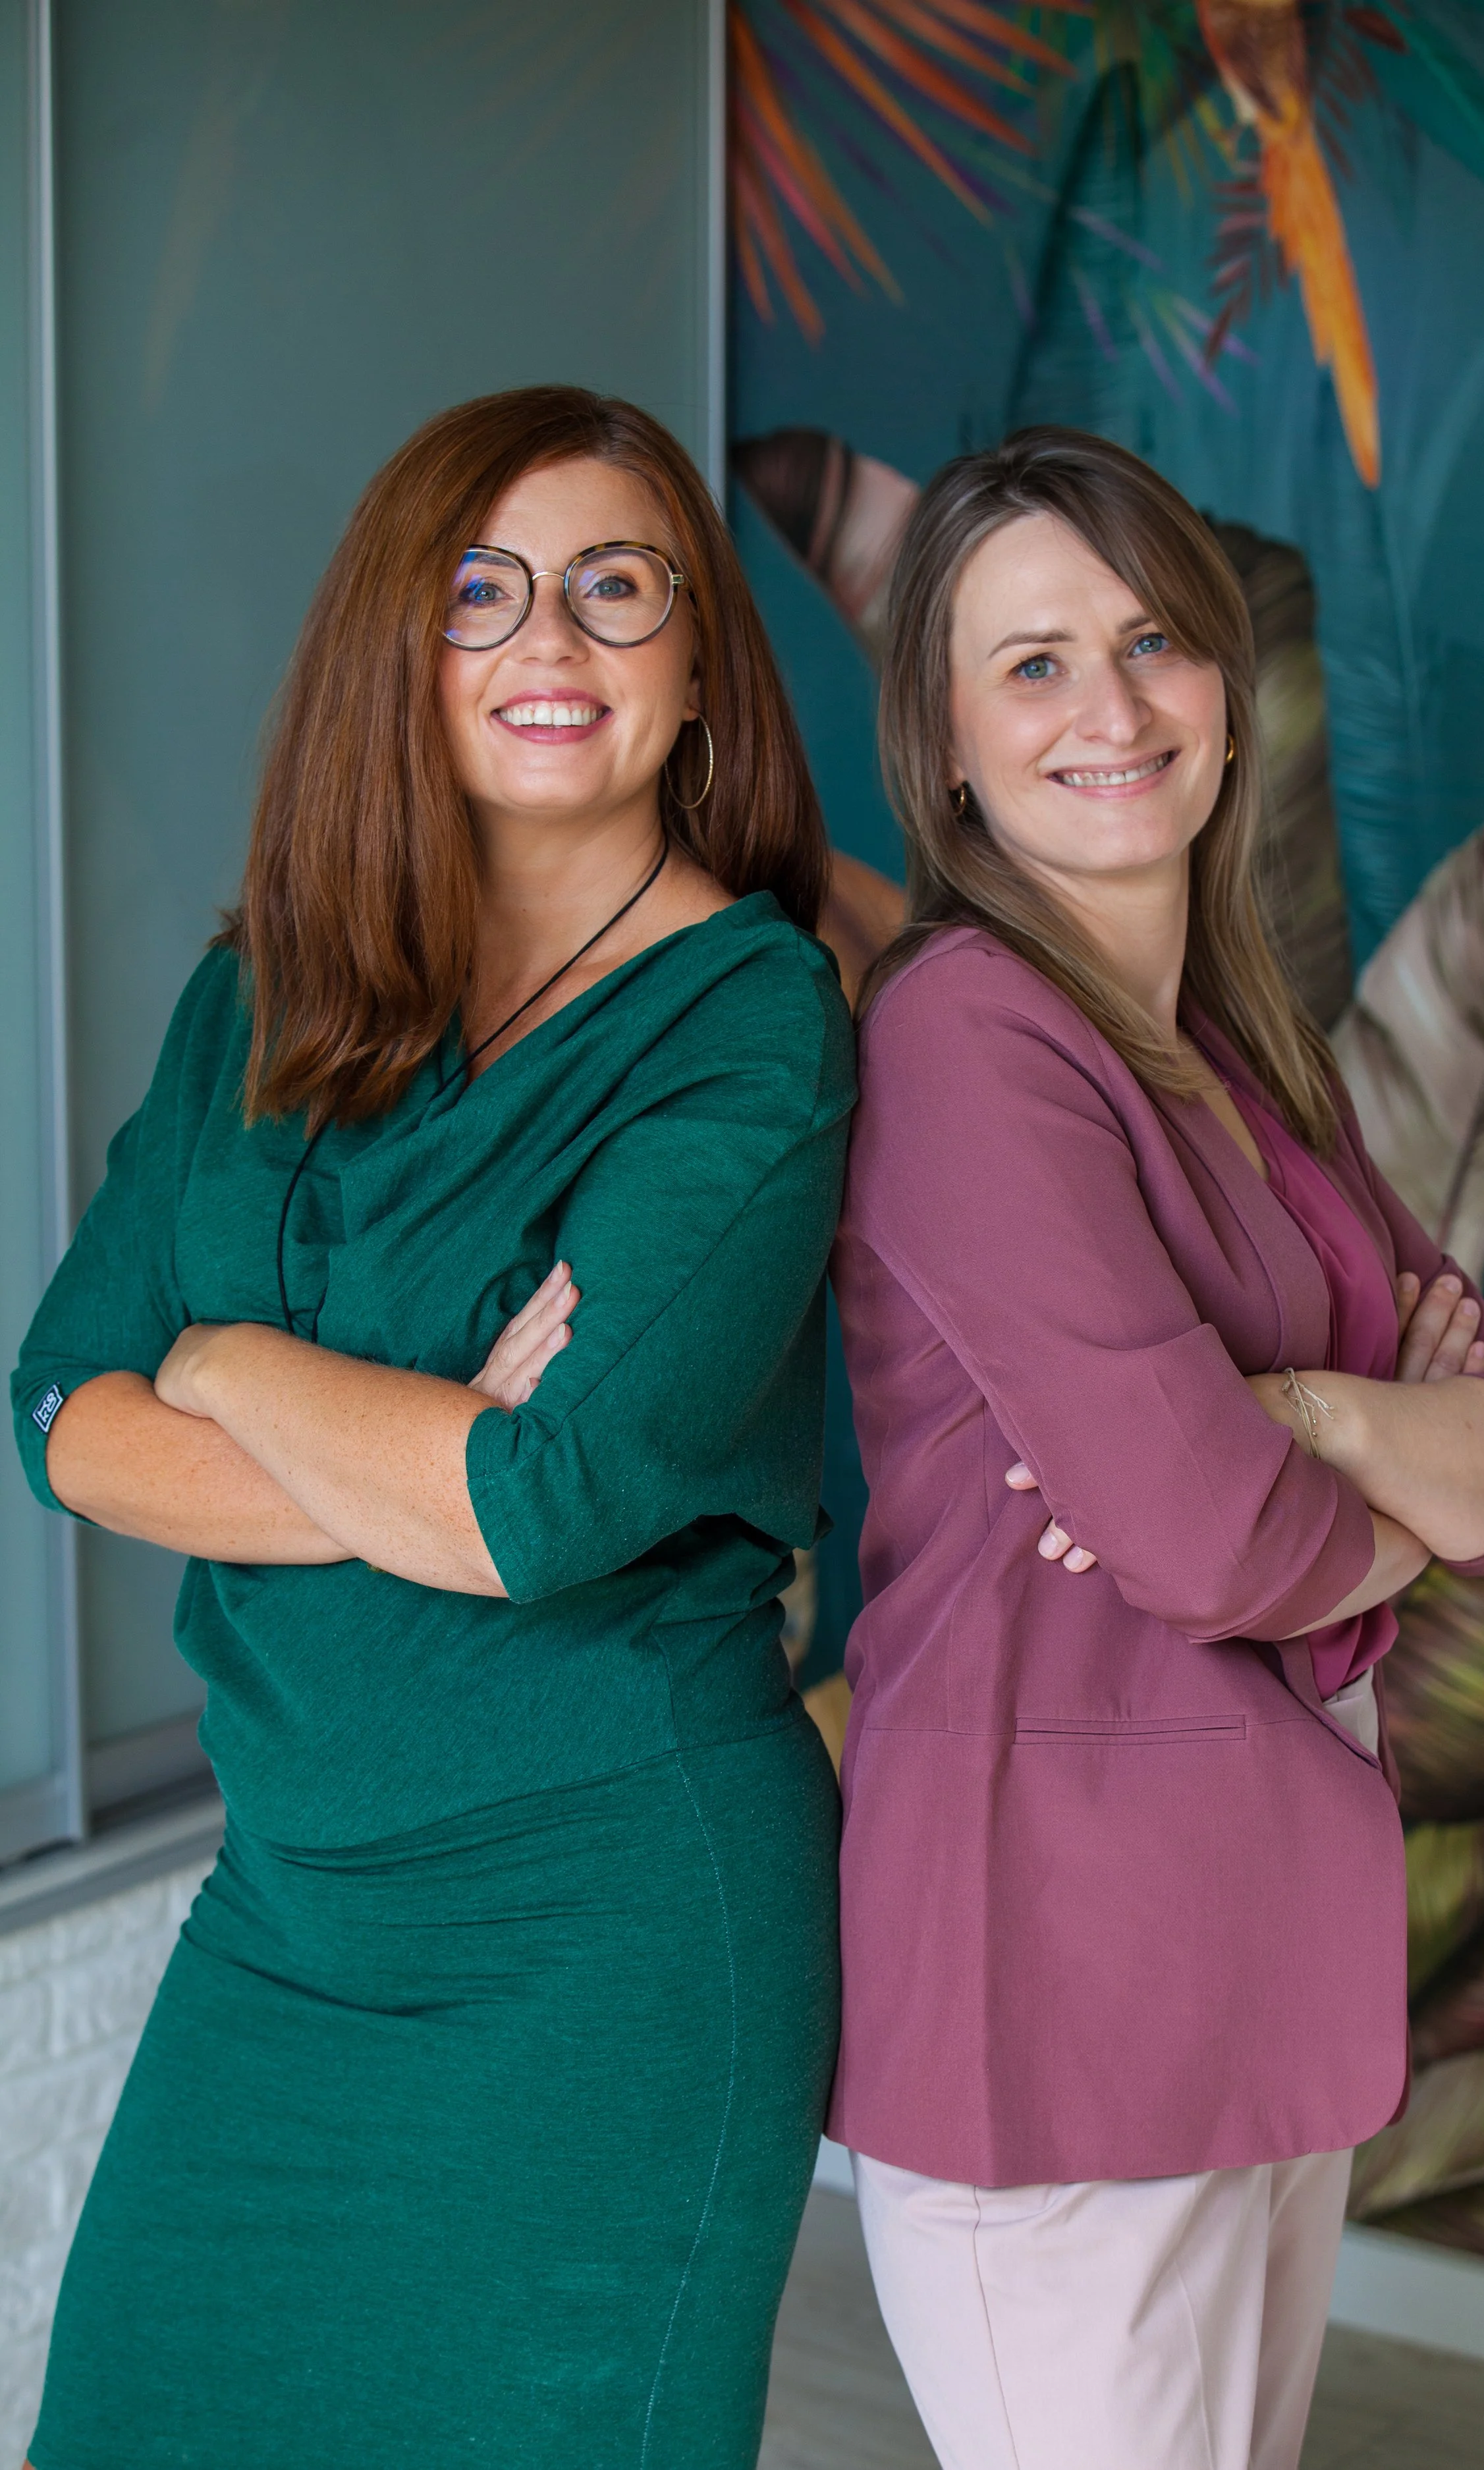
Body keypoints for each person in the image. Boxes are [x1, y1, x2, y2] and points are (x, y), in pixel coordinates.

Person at [13, 386, 854, 2470]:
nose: (544, 640)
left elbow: (536, 1508)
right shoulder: (260, 1001)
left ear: (695, 683)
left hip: (607, 1935)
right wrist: (397, 1439)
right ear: (397, 651)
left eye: (612, 588)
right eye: (478, 590)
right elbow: (53, 1413)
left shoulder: (749, 1016)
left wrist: (219, 1362)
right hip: (287, 1910)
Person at [826, 427, 1484, 2470]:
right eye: (1033, 662)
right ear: (949, 746)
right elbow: (1218, 1539)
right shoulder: (967, 1034)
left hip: (1248, 1951)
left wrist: (1320, 1413)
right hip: (1056, 1980)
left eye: (1150, 640)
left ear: (1226, 699)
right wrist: (1367, 1497)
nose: (1110, 705)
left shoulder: (1248, 1057)